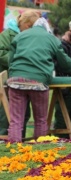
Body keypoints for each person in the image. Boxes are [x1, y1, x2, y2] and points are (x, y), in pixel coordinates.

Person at [7, 17, 71, 142]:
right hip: (39, 82)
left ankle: (13, 151)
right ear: (47, 28)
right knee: (41, 119)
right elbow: (66, 64)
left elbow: (11, 59)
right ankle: (40, 150)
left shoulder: (20, 36)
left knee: (16, 121)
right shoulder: (52, 39)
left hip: (16, 80)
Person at [0, 10, 41, 138]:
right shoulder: (7, 34)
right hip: (8, 79)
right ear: (26, 24)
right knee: (5, 113)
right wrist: (18, 61)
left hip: (27, 78)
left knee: (25, 113)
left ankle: (20, 140)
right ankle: (3, 139)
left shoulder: (32, 36)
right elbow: (0, 52)